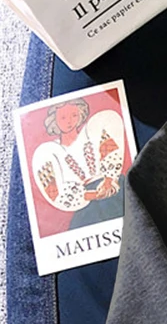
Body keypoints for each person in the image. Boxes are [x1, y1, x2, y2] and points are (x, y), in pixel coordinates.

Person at [31, 97, 125, 229]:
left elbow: (111, 151)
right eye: (63, 117)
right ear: (54, 120)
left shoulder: (94, 129)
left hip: (114, 190)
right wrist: (93, 195)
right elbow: (55, 192)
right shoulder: (48, 152)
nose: (69, 121)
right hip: (86, 204)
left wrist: (109, 181)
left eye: (74, 115)